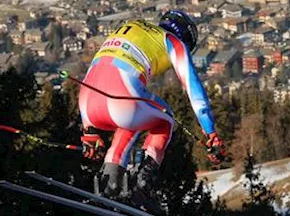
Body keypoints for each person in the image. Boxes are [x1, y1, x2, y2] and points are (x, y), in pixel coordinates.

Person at [77, 10, 224, 205]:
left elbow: (99, 70)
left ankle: (110, 181)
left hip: (86, 103)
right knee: (165, 119)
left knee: (132, 120)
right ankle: (143, 183)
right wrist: (210, 132)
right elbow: (193, 87)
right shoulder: (173, 42)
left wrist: (89, 130)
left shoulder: (133, 26)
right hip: (121, 98)